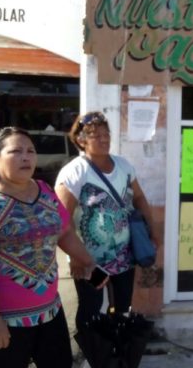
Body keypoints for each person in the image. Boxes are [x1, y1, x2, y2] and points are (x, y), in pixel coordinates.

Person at [0, 127, 95, 368]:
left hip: (49, 311)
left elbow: (64, 232)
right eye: (16, 151)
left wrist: (87, 260)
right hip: (1, 320)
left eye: (31, 151)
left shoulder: (45, 191)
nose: (26, 157)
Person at [55, 111, 157, 340]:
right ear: (81, 140)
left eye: (106, 133)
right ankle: (93, 357)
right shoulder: (74, 172)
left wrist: (153, 233)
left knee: (122, 308)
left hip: (124, 256)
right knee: (91, 310)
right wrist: (77, 258)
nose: (104, 139)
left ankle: (118, 355)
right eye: (95, 135)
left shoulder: (123, 166)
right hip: (89, 261)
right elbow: (61, 220)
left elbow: (139, 198)